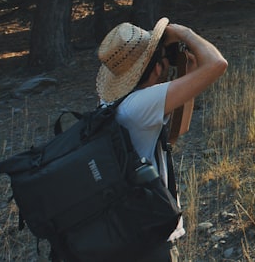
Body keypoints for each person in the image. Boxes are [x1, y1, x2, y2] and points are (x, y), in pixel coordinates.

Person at [95, 18, 228, 261]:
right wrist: (184, 32)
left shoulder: (114, 102)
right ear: (156, 68)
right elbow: (218, 64)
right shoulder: (142, 104)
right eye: (163, 58)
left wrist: (188, 75)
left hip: (125, 227)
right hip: (148, 235)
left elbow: (178, 131)